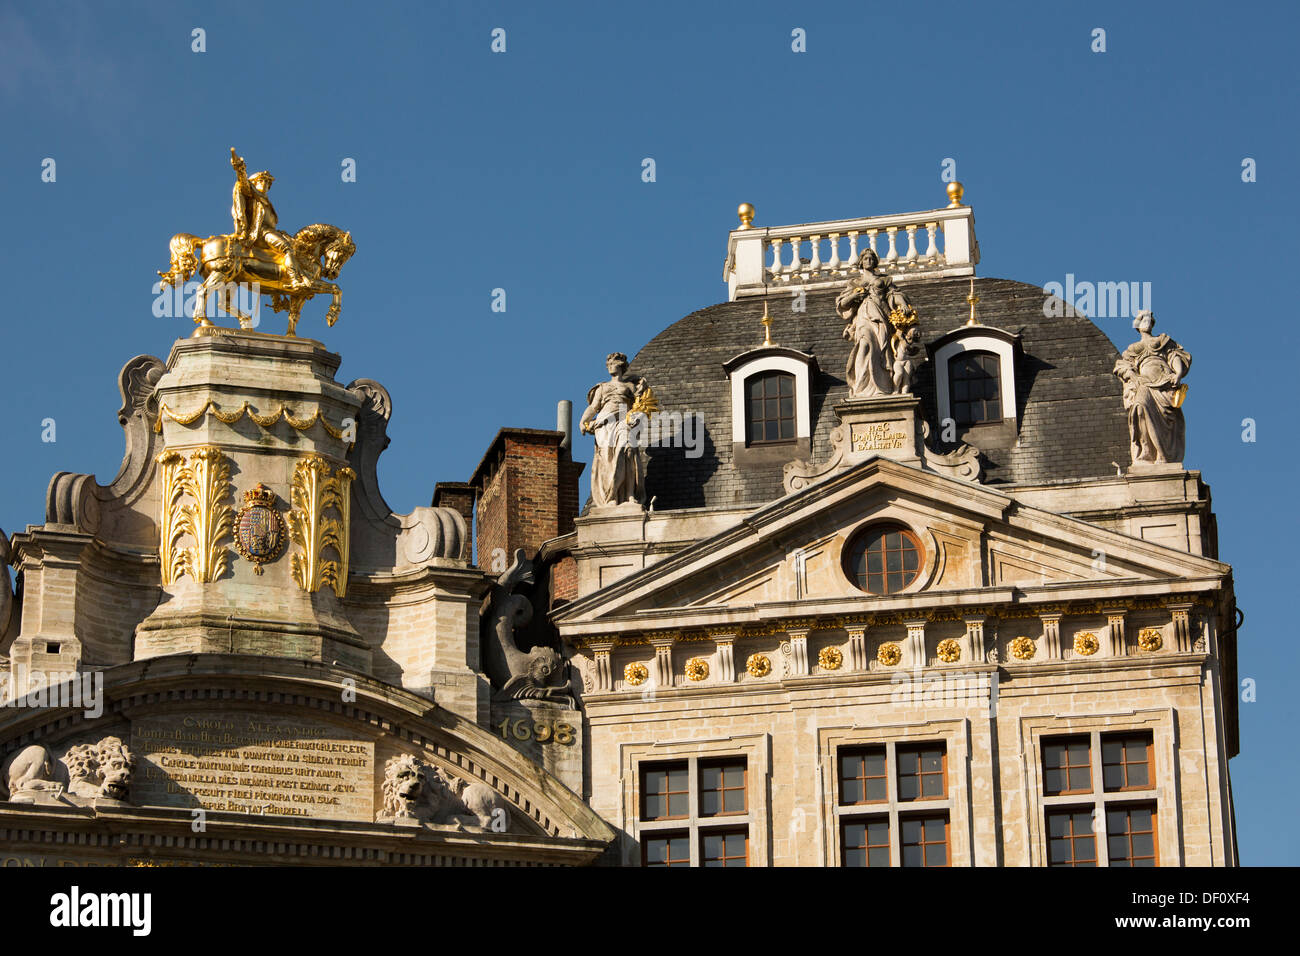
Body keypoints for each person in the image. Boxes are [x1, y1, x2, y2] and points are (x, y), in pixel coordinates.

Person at [1113, 310, 1192, 464]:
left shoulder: (1162, 340)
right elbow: (1123, 366)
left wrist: (1178, 373)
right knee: (1140, 406)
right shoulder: (1133, 348)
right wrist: (1132, 375)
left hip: (1164, 382)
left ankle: (1162, 456)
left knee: (1165, 421)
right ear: (1137, 325)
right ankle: (1146, 452)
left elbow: (1173, 355)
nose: (1146, 322)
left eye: (1148, 319)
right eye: (1143, 319)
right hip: (1144, 382)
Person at [836, 249, 915, 397]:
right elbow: (842, 304)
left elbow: (895, 295)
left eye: (871, 258)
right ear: (861, 262)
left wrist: (903, 304)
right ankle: (861, 385)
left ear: (875, 262)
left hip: (881, 318)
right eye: (865, 258)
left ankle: (882, 385)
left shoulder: (884, 280)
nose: (869, 261)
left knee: (881, 350)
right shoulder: (855, 282)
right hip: (863, 317)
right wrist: (854, 295)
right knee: (864, 345)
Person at [229, 148, 311, 291]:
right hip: (261, 233)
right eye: (262, 181)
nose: (265, 185)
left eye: (267, 183)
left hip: (270, 232)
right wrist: (240, 168)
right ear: (255, 183)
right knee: (288, 250)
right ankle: (294, 280)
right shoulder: (252, 195)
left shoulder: (265, 200)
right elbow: (243, 181)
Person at [580, 352, 650, 507]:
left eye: (614, 363)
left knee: (628, 452)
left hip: (623, 421)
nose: (610, 366)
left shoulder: (631, 387)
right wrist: (583, 421)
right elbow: (593, 407)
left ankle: (630, 495)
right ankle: (611, 496)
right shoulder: (602, 387)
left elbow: (640, 407)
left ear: (621, 366)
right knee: (607, 459)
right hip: (605, 424)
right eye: (609, 363)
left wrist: (638, 417)